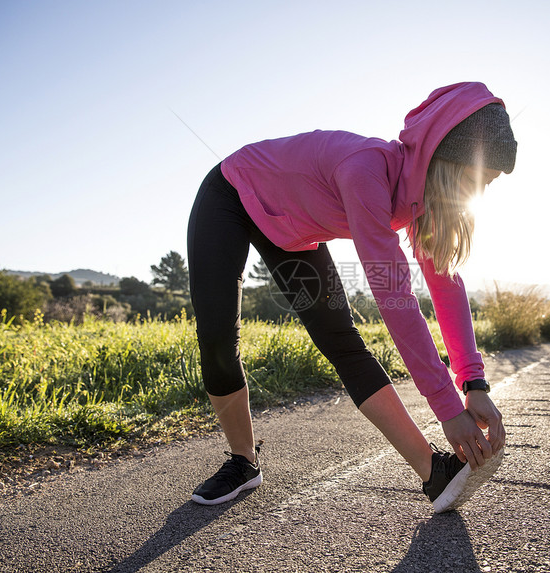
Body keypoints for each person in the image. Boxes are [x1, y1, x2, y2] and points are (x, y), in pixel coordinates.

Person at [187, 81, 516, 513]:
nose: (481, 193)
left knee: (343, 342)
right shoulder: (366, 169)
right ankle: (243, 461)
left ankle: (436, 473)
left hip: (294, 235)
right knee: (216, 339)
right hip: (231, 195)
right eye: (482, 179)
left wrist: (472, 384)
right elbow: (395, 294)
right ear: (450, 159)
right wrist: (447, 409)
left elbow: (444, 283)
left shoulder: (420, 201)